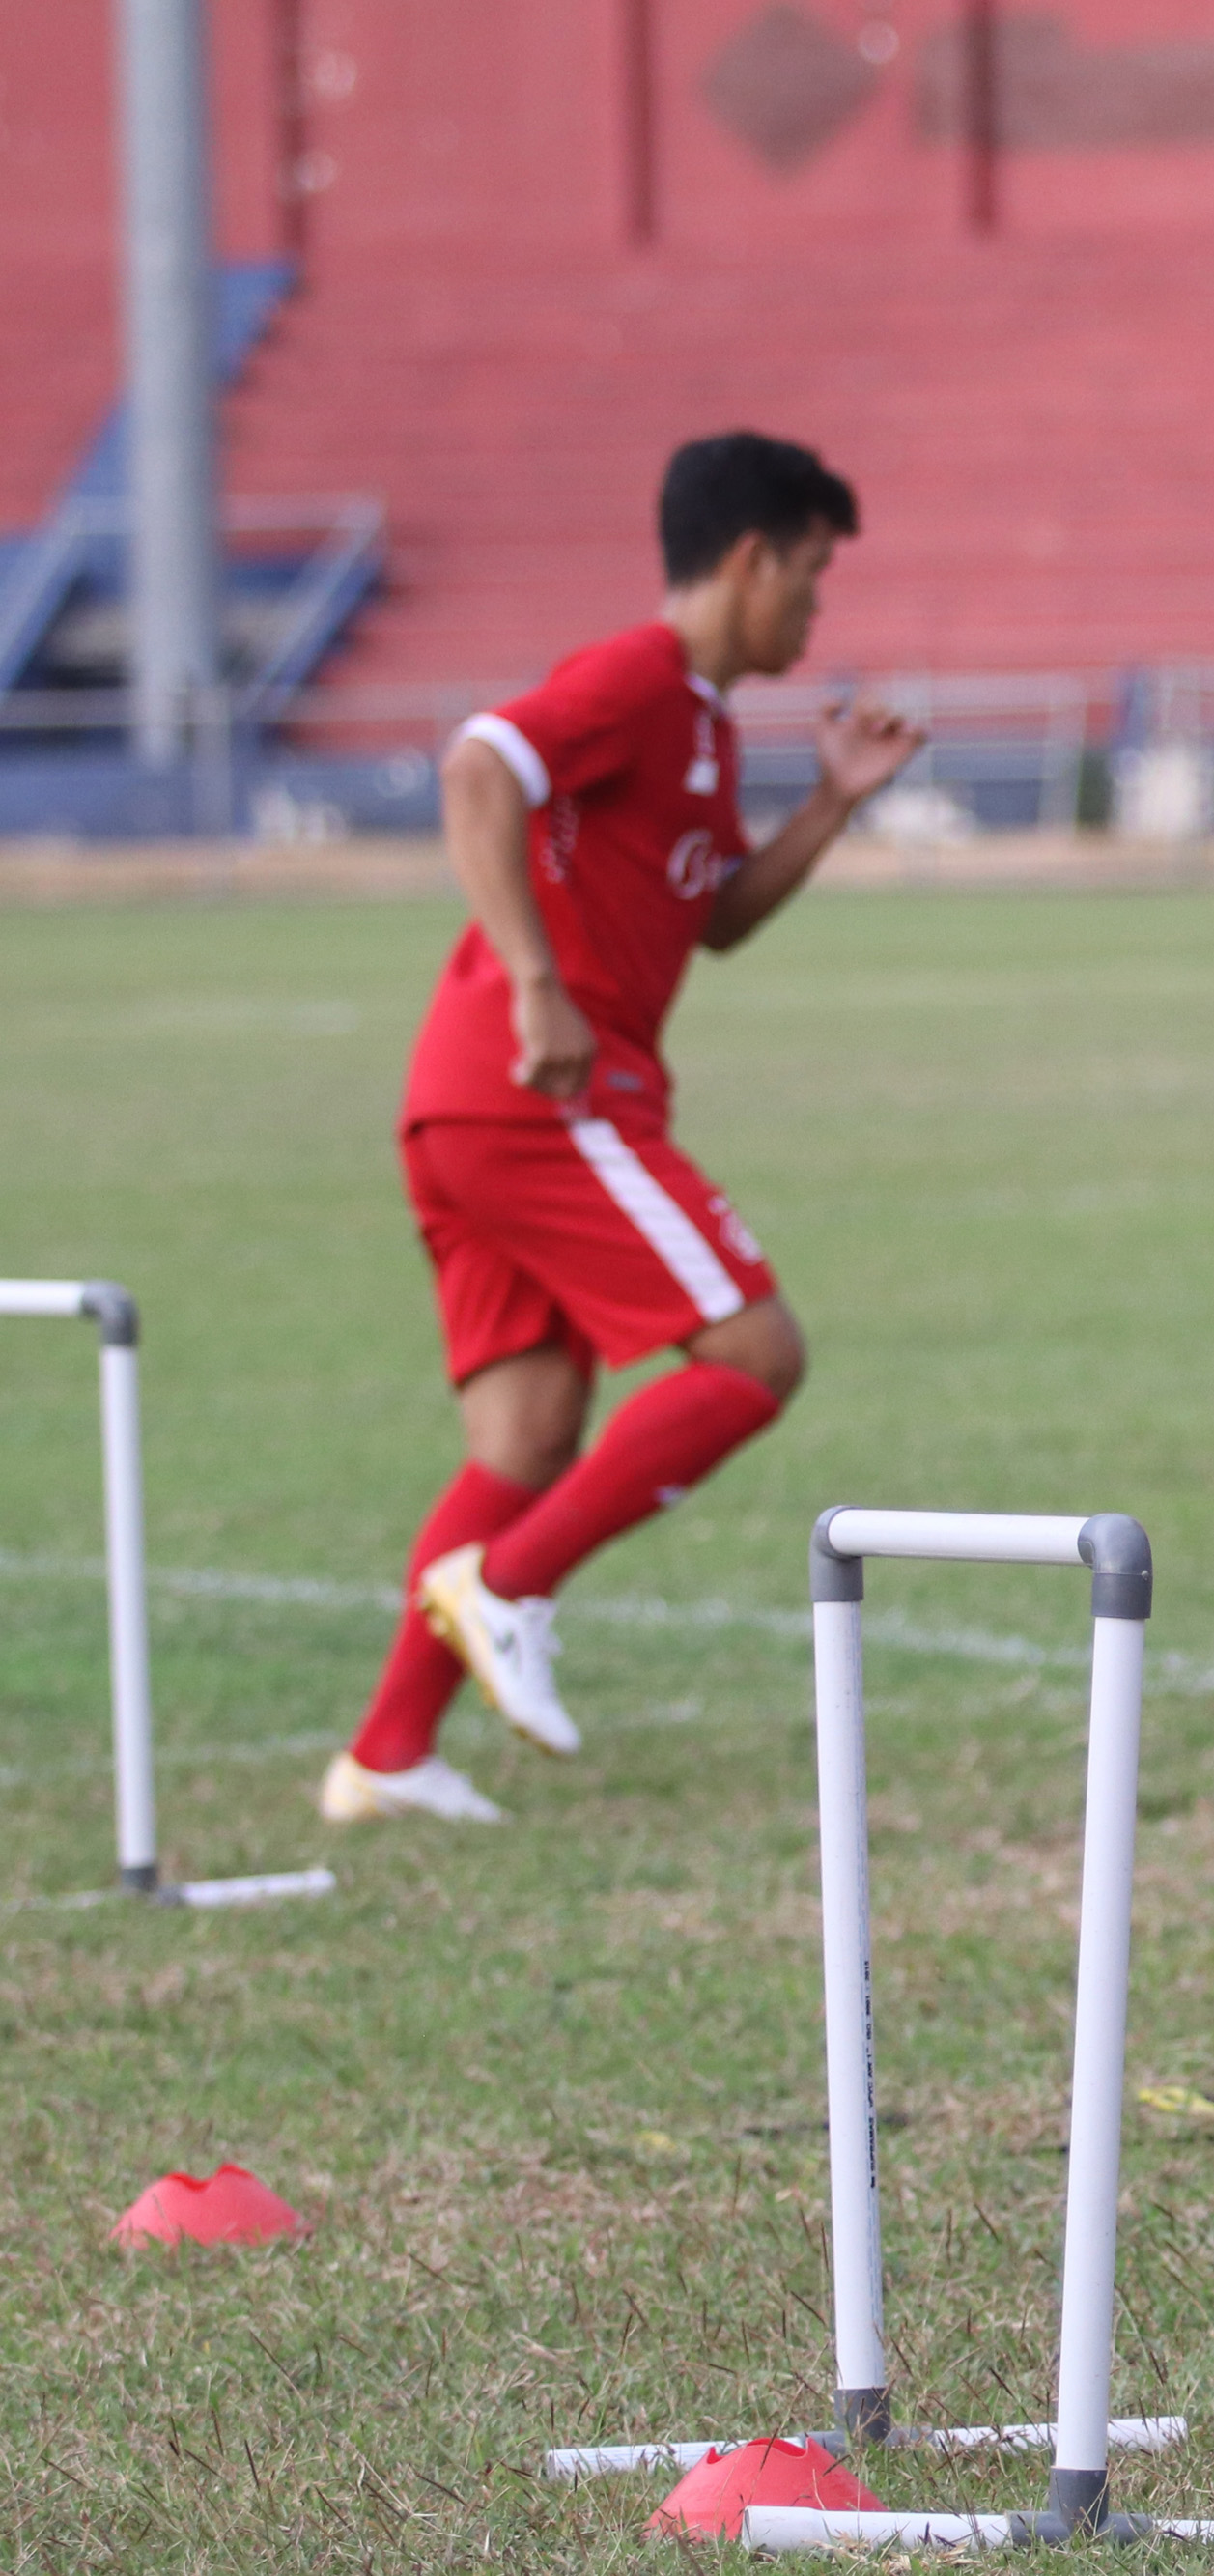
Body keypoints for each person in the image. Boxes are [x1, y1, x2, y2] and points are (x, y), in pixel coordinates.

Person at [318, 433, 921, 1826]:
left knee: (525, 1437)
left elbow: (715, 924)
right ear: (752, 556)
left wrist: (830, 803)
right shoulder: (643, 678)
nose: (817, 613)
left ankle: (387, 1755)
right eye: (813, 578)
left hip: (470, 1104)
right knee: (757, 1353)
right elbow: (481, 770)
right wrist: (536, 981)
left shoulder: (705, 726)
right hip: (539, 1090)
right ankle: (507, 1588)